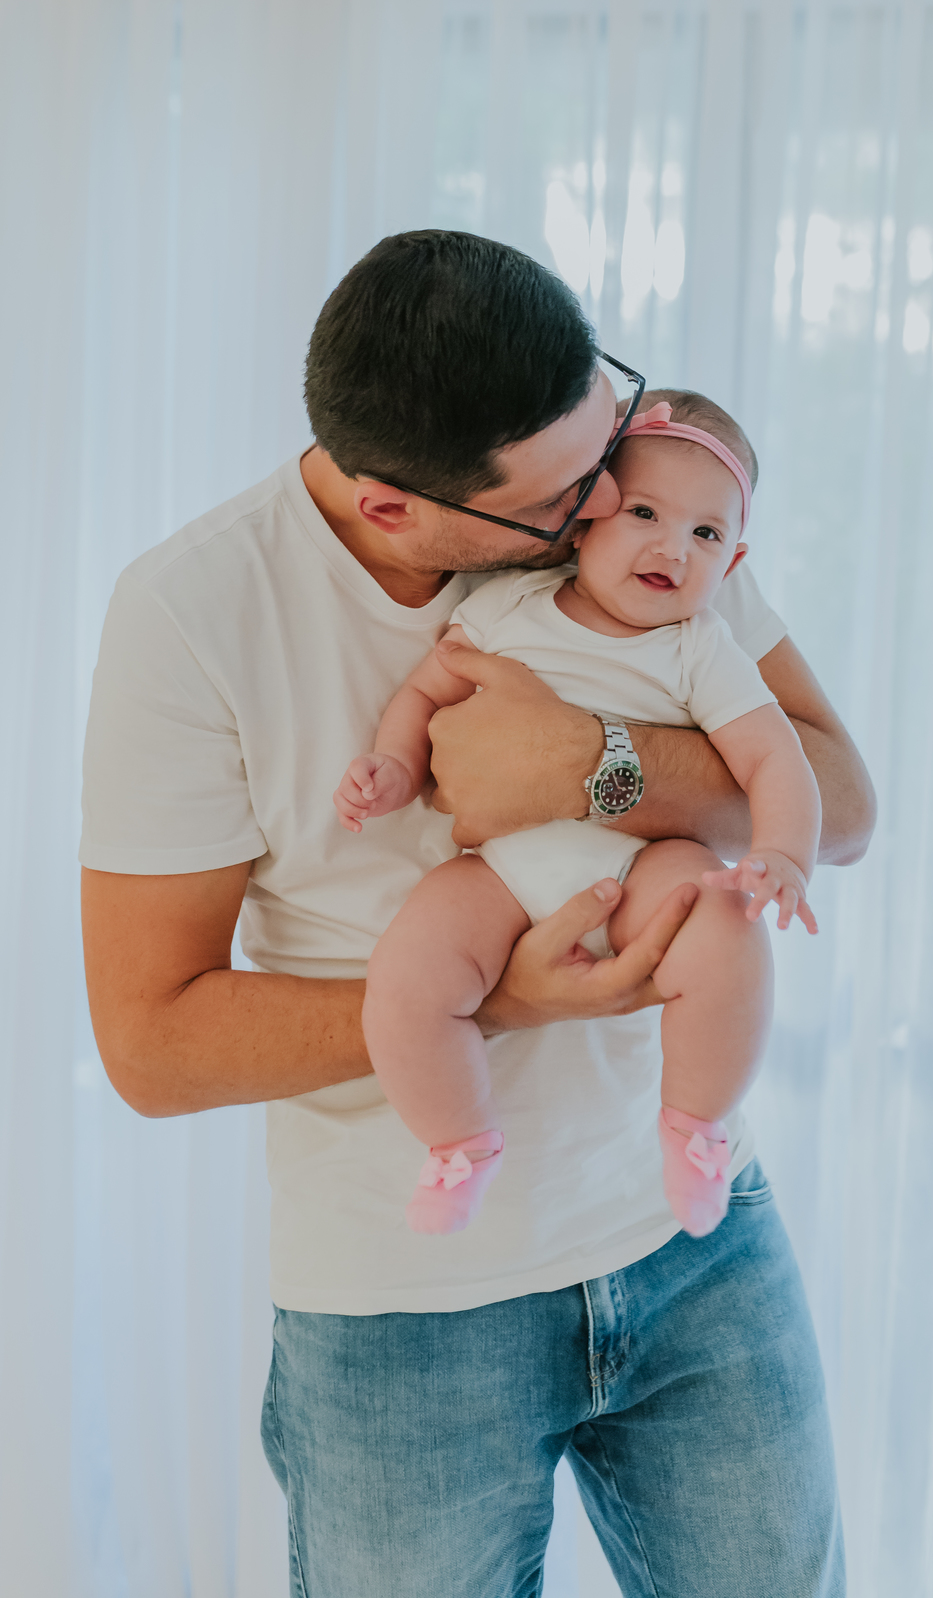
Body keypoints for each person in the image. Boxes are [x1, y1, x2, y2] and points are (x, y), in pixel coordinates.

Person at [81, 230, 873, 1596]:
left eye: (611, 431)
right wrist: (501, 998)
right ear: (394, 507)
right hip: (406, 1314)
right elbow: (153, 1044)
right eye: (573, 495)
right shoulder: (195, 614)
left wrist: (597, 763)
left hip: (692, 1240)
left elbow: (839, 802)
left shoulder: (647, 503)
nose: (616, 505)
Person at [336, 392, 821, 1241]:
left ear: (733, 561)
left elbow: (775, 758)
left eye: (706, 535)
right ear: (586, 518)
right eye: (644, 513)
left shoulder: (699, 646)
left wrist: (783, 852)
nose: (673, 547)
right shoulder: (509, 608)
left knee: (727, 924)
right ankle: (458, 1143)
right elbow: (428, 691)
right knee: (408, 981)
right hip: (501, 867)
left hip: (647, 863)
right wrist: (393, 766)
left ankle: (697, 1128)